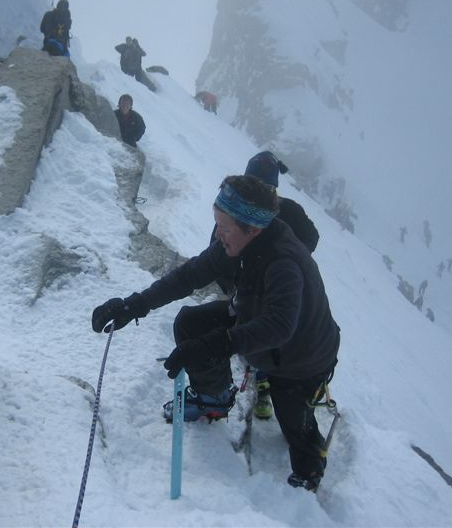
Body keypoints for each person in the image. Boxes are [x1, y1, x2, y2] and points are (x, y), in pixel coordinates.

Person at [91, 174, 340, 491]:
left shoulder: (283, 262)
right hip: (256, 322)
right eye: (217, 224)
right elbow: (189, 275)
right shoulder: (236, 244)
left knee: (292, 415)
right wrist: (133, 305)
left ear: (252, 228)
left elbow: (279, 326)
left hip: (302, 356)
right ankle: (214, 399)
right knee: (190, 323)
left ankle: (310, 469)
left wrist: (216, 345)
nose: (218, 235)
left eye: (224, 228)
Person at [238, 151, 320, 420]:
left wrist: (287, 260)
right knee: (270, 331)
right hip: (260, 287)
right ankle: (268, 384)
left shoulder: (285, 212)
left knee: (269, 330)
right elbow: (312, 237)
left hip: (273, 284)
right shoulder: (287, 210)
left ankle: (268, 383)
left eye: (263, 187)